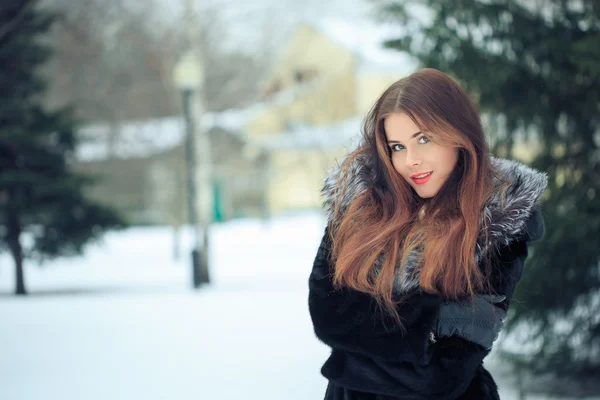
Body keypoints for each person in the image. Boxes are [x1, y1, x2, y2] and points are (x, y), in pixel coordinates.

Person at [308, 68, 547, 400]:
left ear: (458, 134)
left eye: (424, 139)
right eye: (397, 146)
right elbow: (328, 317)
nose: (411, 161)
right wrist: (421, 326)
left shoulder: (496, 223)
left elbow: (443, 375)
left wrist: (351, 356)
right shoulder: (359, 207)